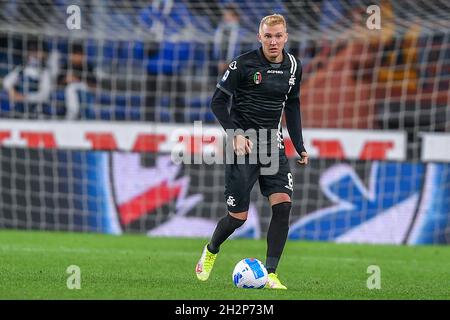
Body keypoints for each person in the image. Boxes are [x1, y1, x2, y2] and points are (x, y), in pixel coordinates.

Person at [195, 14, 308, 289]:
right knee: (238, 218)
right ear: (260, 37)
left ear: (286, 37)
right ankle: (210, 251)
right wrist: (235, 134)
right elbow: (217, 102)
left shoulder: (293, 66)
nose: (273, 41)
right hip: (243, 146)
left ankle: (270, 273)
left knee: (283, 206)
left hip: (273, 145)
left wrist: (300, 145)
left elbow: (292, 105)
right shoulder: (242, 64)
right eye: (268, 36)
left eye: (278, 36)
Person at [2, 38, 52, 118]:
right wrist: (13, 92)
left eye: (37, 51)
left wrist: (26, 97)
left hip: (35, 109)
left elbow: (45, 95)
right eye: (32, 51)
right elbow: (6, 82)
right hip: (18, 107)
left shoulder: (45, 72)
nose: (34, 54)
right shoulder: (21, 68)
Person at [57, 42, 96, 120]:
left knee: (73, 87)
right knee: (70, 88)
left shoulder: (88, 67)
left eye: (79, 55)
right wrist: (65, 80)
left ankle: (74, 114)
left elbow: (94, 86)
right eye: (75, 54)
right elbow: (57, 84)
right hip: (68, 94)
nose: (77, 57)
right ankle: (72, 113)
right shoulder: (66, 66)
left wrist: (77, 80)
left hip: (84, 92)